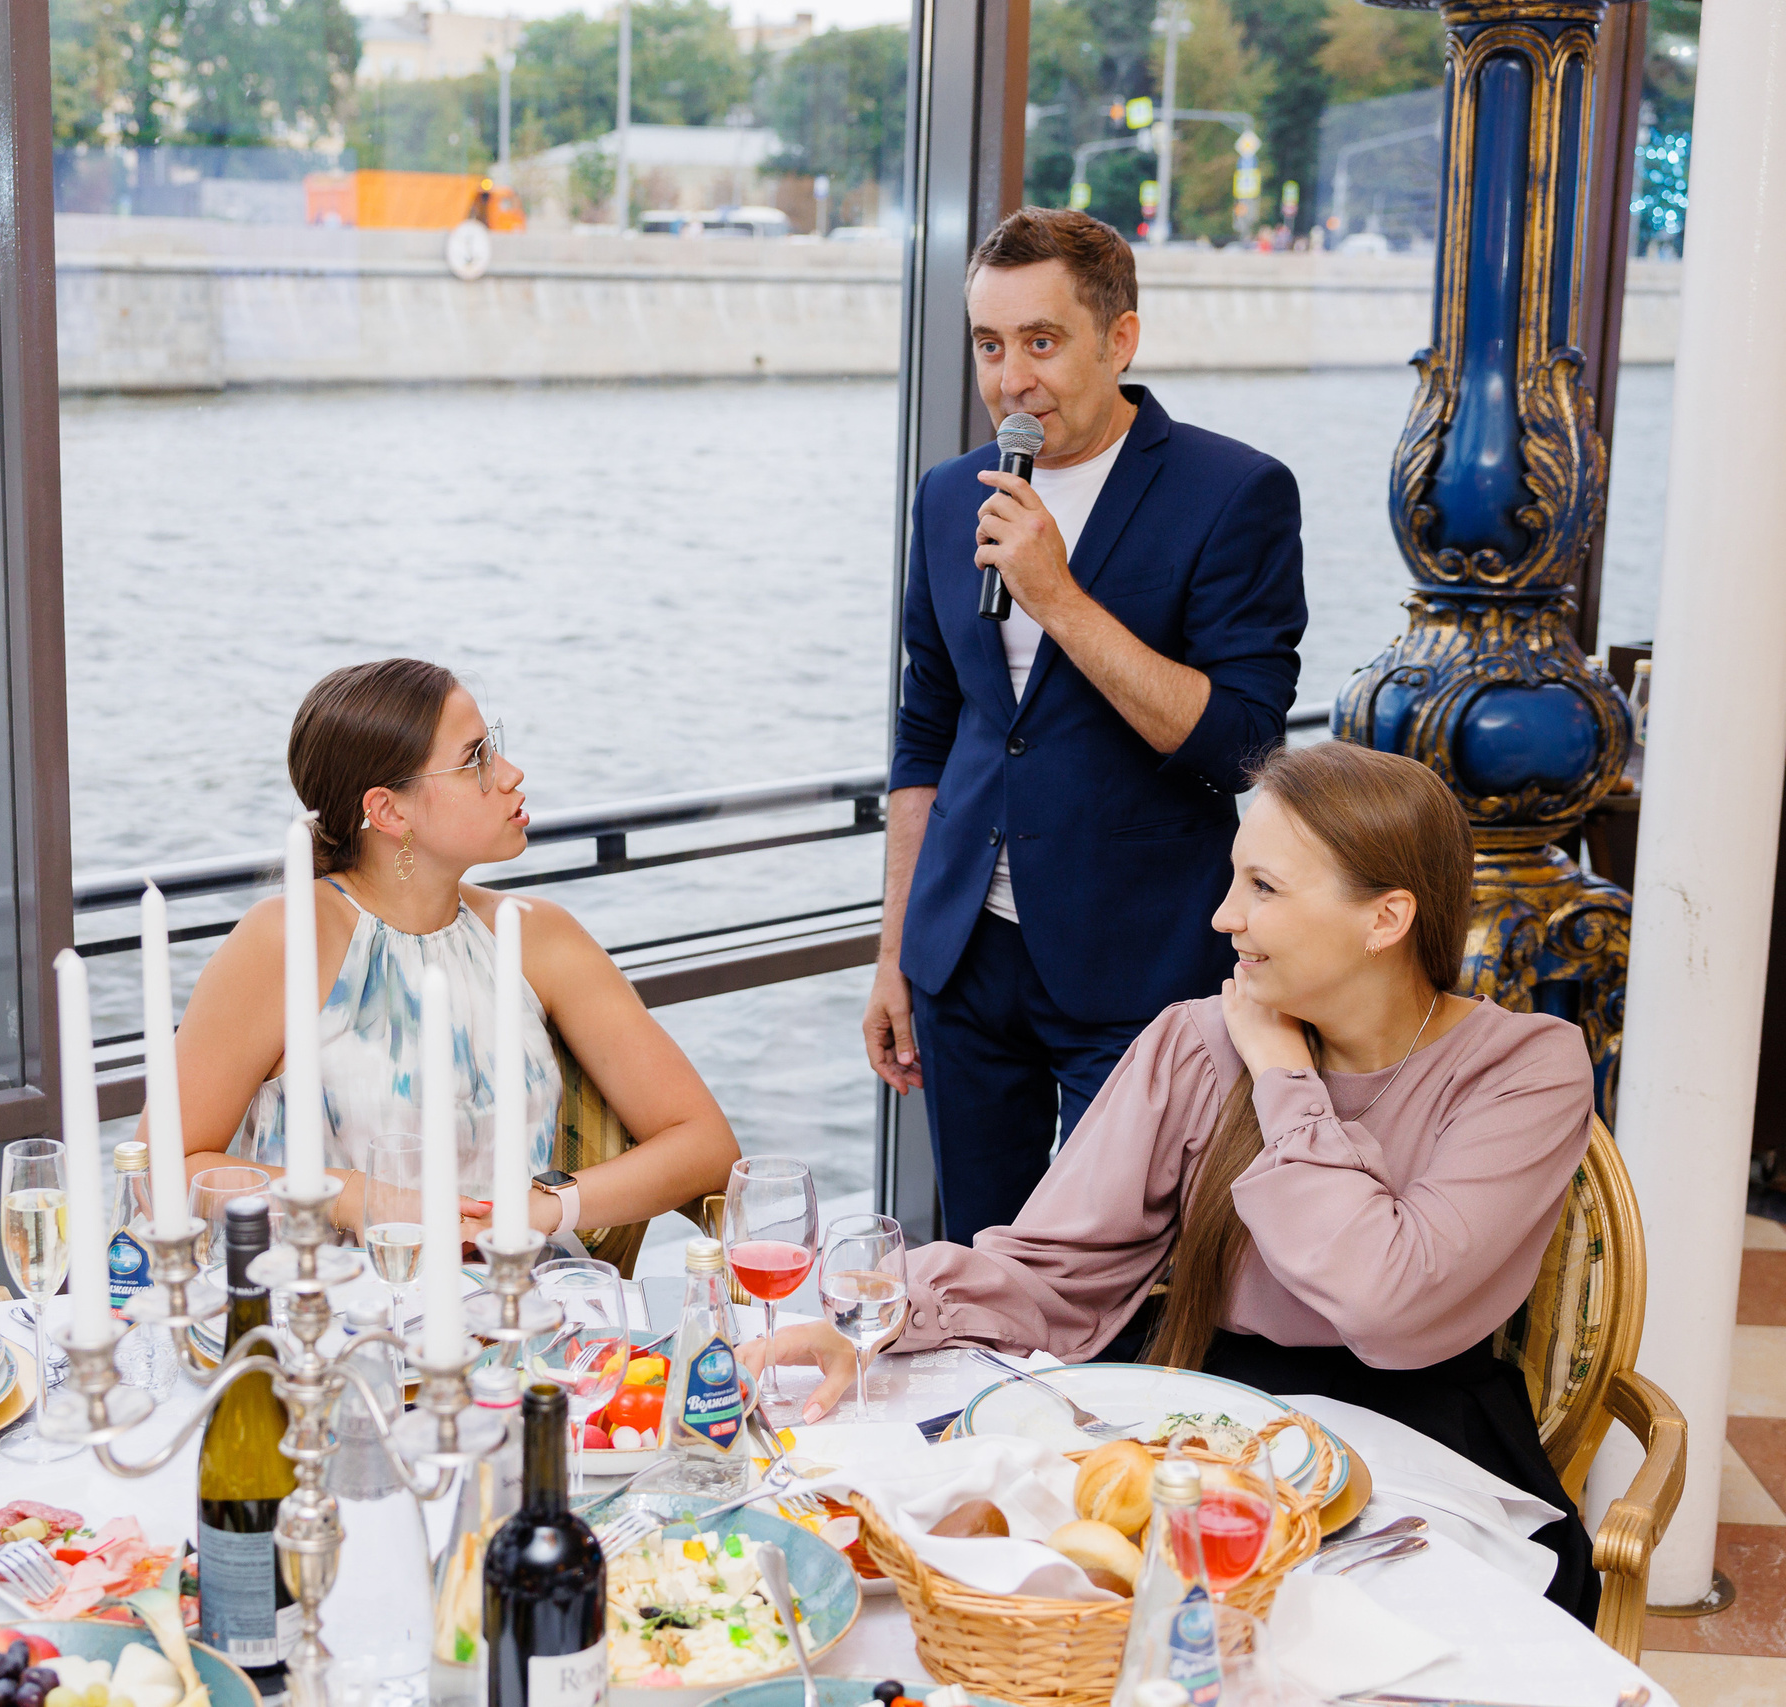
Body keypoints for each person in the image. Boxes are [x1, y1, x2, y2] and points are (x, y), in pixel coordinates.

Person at [760, 742, 1600, 1619]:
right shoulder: (1195, 1042)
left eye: (1264, 888)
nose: (1223, 917)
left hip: (1427, 1427)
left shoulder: (1524, 1068)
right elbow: (1055, 1269)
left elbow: (1387, 1300)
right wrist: (884, 1311)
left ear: (1385, 918)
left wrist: (1283, 1079)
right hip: (1208, 1416)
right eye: (1236, 880)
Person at [865, 207, 1306, 1242]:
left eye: (1042, 341)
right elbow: (924, 736)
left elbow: (1241, 745)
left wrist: (1055, 594)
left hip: (1139, 963)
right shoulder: (947, 499)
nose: (1010, 379)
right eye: (989, 344)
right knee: (981, 1254)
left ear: (1119, 340)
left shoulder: (1232, 491)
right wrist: (893, 956)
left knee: (1124, 1264)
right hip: (965, 957)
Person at [172, 658, 739, 1246]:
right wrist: (366, 1198)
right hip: (322, 1315)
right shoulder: (286, 939)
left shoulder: (538, 936)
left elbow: (705, 1144)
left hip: (513, 1312)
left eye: (494, 747)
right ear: (388, 810)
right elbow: (168, 1169)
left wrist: (544, 1207)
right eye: (475, 760)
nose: (511, 773)